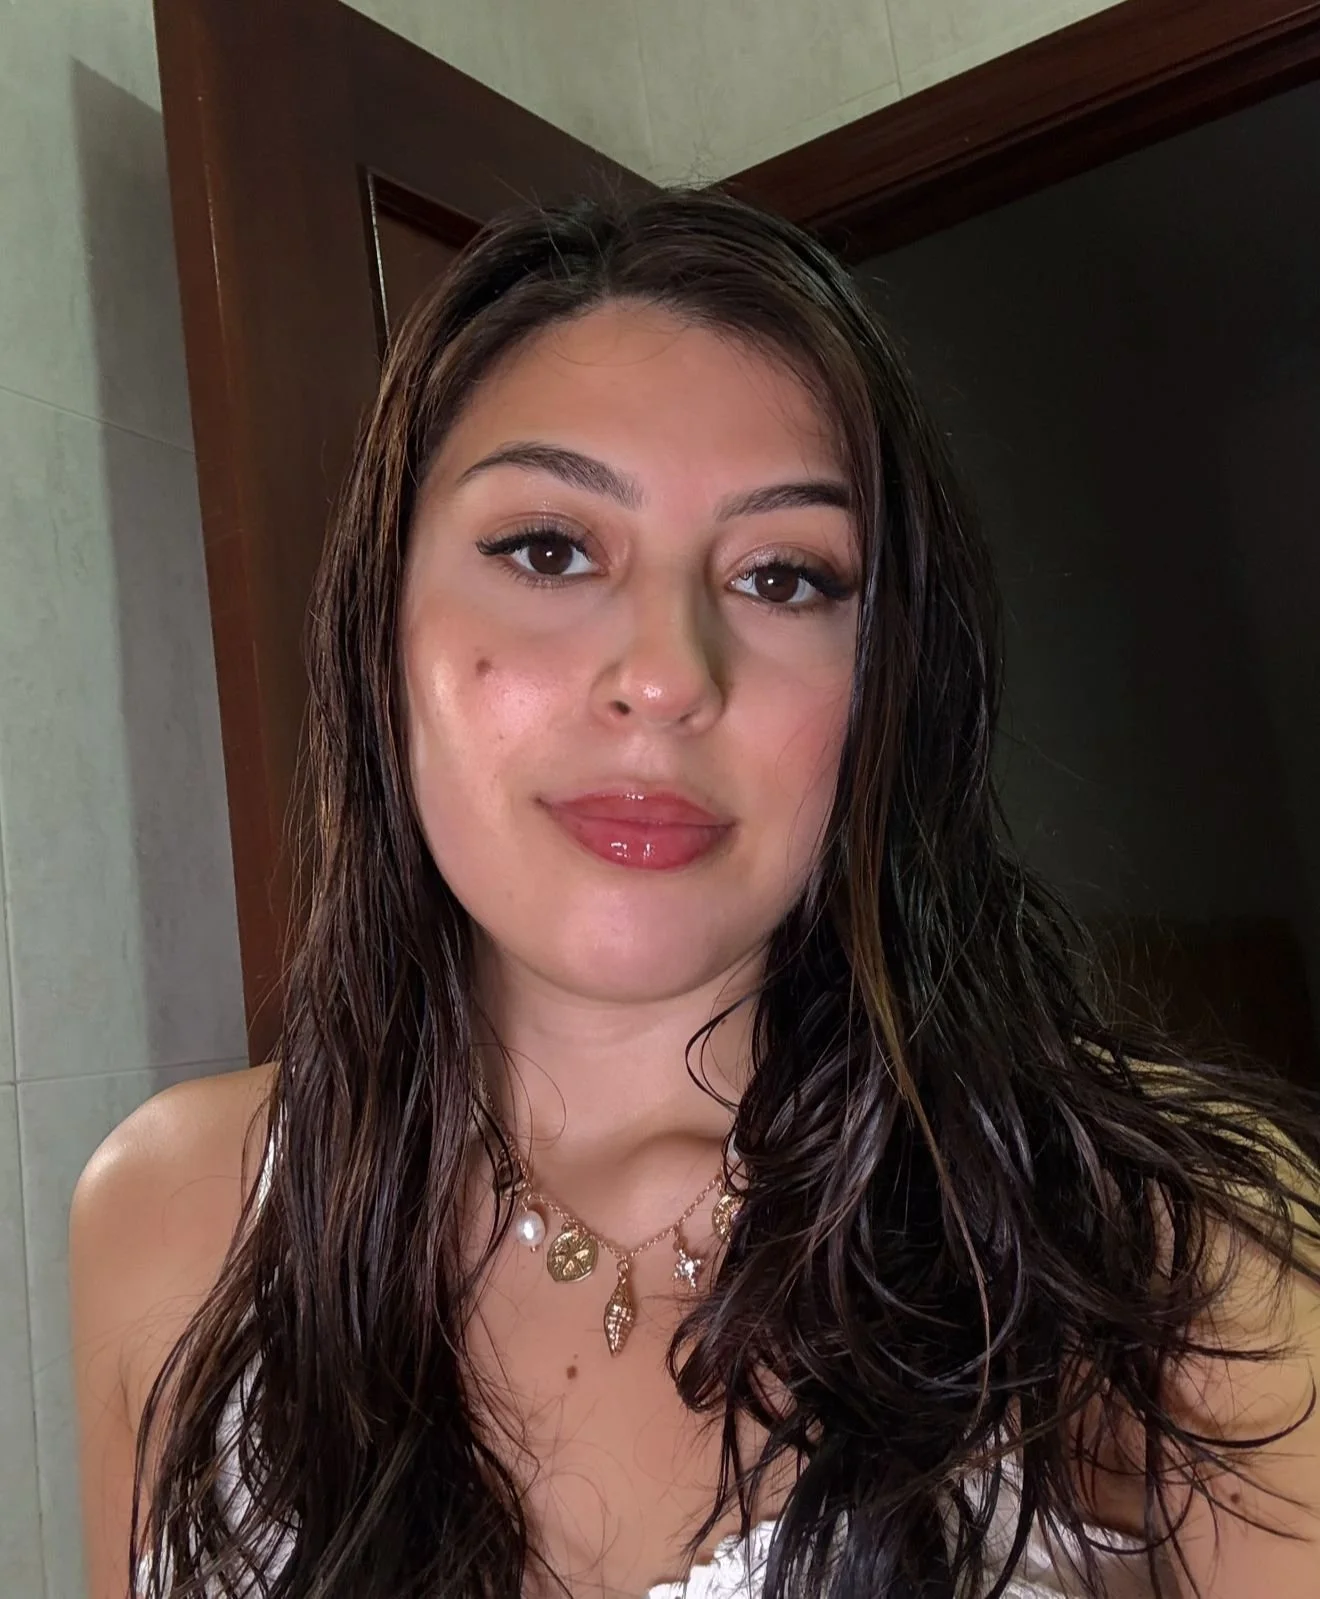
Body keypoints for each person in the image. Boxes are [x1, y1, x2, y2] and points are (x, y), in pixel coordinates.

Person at [70, 185, 1320, 1599]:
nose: (668, 674)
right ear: (382, 633)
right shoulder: (165, 1217)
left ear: (887, 686)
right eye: (548, 548)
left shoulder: (1172, 1246)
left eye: (785, 575)